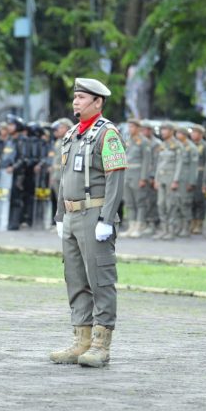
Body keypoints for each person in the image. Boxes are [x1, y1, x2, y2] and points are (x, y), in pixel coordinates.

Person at [51, 77, 126, 368]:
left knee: (100, 279)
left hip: (94, 214)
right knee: (76, 279)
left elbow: (115, 177)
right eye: (75, 97)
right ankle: (80, 340)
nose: (75, 102)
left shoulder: (107, 134)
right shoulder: (71, 134)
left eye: (82, 97)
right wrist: (59, 214)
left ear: (98, 102)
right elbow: (64, 178)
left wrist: (107, 218)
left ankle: (100, 344)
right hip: (71, 215)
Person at [119, 118, 151, 239]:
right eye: (129, 126)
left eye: (132, 127)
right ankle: (131, 226)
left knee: (140, 201)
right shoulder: (128, 140)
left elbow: (146, 161)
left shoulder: (143, 142)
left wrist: (143, 178)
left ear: (138, 128)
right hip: (127, 173)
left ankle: (139, 226)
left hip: (138, 174)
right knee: (129, 202)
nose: (130, 129)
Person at [153, 122, 183, 241]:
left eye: (165, 130)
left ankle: (171, 230)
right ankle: (164, 229)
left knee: (171, 204)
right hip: (161, 178)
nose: (162, 132)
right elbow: (159, 164)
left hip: (171, 177)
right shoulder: (162, 145)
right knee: (161, 204)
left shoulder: (177, 145)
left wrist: (176, 180)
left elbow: (179, 164)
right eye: (162, 130)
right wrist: (156, 179)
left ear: (171, 131)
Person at [190, 124, 206, 235]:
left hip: (201, 174)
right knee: (191, 199)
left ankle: (199, 223)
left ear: (201, 134)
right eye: (192, 132)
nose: (193, 134)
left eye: (196, 132)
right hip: (191, 174)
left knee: (199, 200)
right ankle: (192, 221)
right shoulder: (189, 145)